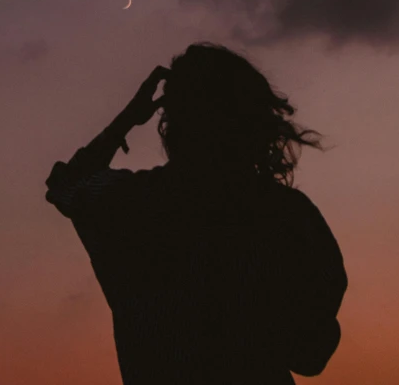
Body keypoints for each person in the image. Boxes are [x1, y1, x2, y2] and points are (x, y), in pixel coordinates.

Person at [45, 42, 348, 384]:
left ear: (172, 122)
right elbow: (312, 354)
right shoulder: (290, 217)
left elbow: (67, 185)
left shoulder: (131, 203)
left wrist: (129, 118)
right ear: (252, 119)